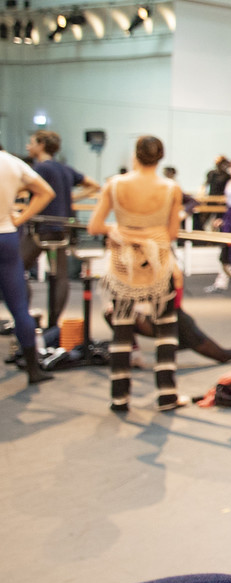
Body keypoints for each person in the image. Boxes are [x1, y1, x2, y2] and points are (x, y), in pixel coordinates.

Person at [87, 136, 185, 413]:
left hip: (123, 264)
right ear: (160, 156)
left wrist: (119, 232)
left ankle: (120, 397)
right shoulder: (171, 188)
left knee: (122, 327)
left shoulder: (115, 185)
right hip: (158, 262)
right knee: (166, 329)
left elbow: (95, 225)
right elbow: (172, 234)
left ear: (135, 155)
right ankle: (167, 395)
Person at [22, 130, 98, 325]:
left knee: (14, 269)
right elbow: (94, 185)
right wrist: (71, 198)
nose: (28, 146)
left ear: (41, 145)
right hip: (62, 229)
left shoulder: (39, 169)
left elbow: (25, 190)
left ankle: (24, 317)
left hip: (41, 227)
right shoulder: (65, 169)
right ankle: (53, 326)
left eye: (31, 142)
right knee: (60, 277)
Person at [1, 142, 57, 384]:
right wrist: (20, 219)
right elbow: (46, 192)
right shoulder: (11, 162)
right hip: (6, 235)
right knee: (19, 306)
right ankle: (34, 370)